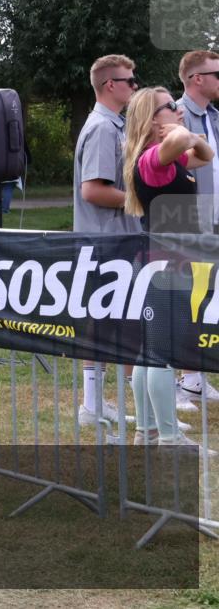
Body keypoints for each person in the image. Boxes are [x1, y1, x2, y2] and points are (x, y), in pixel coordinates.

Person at [121, 86, 215, 449]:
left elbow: (204, 155)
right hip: (163, 267)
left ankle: (147, 431)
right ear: (152, 118)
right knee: (161, 354)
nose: (180, 110)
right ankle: (170, 437)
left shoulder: (168, 158)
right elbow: (189, 142)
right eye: (171, 106)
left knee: (150, 352)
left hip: (168, 264)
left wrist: (186, 135)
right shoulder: (152, 160)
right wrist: (185, 135)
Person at [72, 54, 146, 426]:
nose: (135, 86)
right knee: (103, 321)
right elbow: (93, 191)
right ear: (110, 86)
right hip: (106, 240)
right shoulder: (102, 128)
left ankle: (102, 404)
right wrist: (138, 200)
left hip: (116, 239)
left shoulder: (113, 125)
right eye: (130, 81)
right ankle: (92, 404)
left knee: (116, 321)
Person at [175, 50, 219, 404]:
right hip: (187, 221)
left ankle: (195, 376)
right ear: (196, 79)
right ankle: (183, 377)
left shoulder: (213, 116)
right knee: (185, 297)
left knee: (207, 298)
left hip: (214, 220)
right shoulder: (174, 116)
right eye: (216, 73)